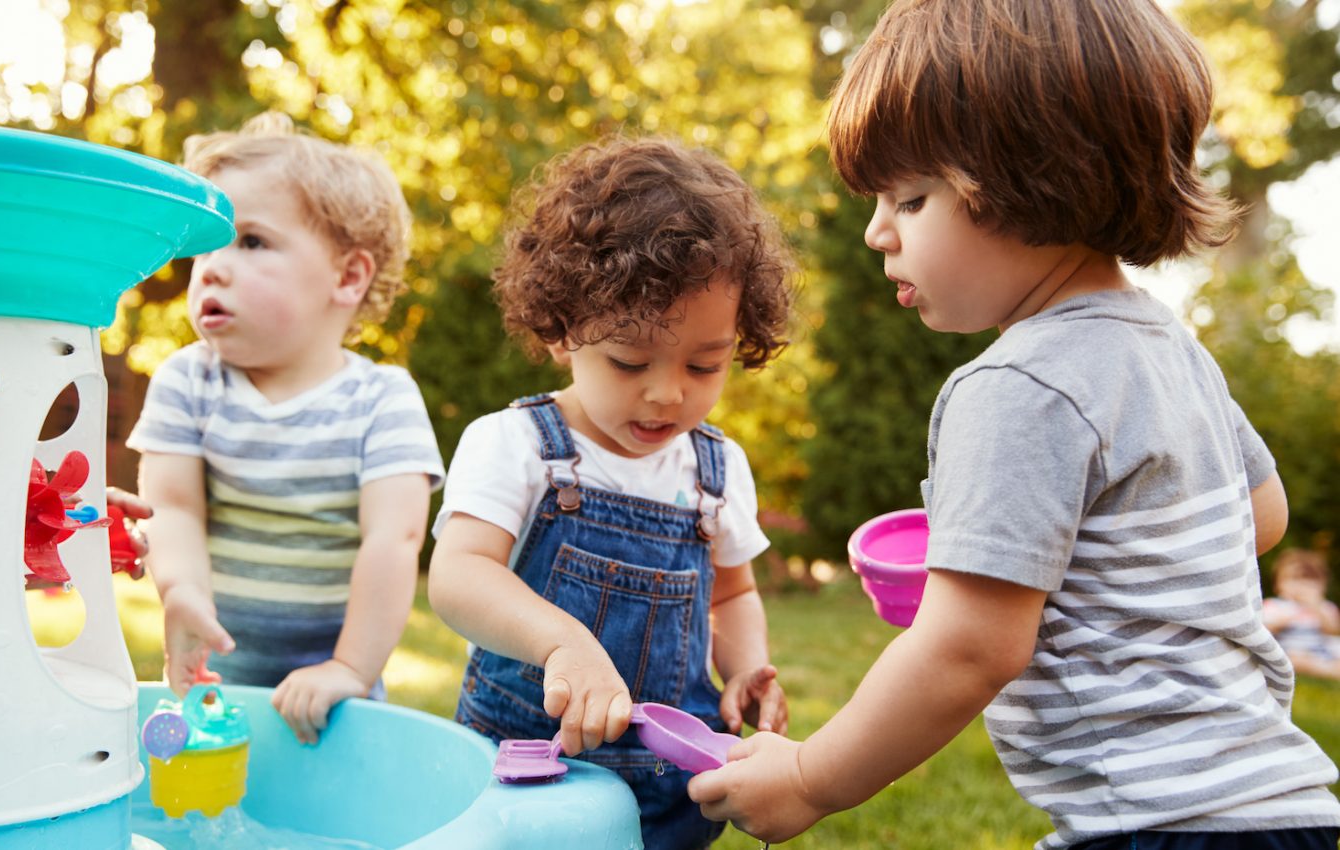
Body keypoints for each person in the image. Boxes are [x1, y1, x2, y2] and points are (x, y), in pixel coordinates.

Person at [688, 2, 1340, 848]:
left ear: (1037, 178)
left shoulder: (1014, 384)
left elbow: (967, 651)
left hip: (1160, 824)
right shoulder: (1168, 345)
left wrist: (811, 780)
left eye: (911, 198)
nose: (876, 231)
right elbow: (1260, 518)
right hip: (1280, 806)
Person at [428, 136, 793, 849]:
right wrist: (562, 643)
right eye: (629, 361)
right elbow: (459, 575)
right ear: (564, 331)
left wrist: (745, 667)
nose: (667, 392)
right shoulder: (517, 445)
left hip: (667, 790)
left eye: (704, 364)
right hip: (528, 779)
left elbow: (731, 594)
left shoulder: (717, 470)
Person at [127, 113, 443, 745]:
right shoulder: (188, 381)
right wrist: (181, 591)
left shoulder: (381, 398)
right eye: (205, 247)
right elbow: (175, 509)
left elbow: (394, 538)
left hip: (334, 700)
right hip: (215, 680)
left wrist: (349, 668)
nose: (211, 268)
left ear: (347, 277)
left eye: (250, 242)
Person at [1264, 549, 1340, 680]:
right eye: (1294, 580)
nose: (1301, 586)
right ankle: (1326, 671)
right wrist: (1282, 621)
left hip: (1320, 650)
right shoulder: (1276, 605)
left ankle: (1325, 668)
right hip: (1290, 649)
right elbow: (1264, 629)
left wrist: (1316, 607)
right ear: (1278, 585)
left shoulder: (1324, 607)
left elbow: (1333, 630)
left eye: (1308, 581)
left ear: (1322, 586)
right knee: (1295, 660)